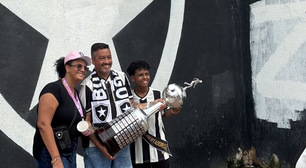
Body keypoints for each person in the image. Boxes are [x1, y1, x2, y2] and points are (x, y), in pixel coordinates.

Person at [79, 43, 134, 168]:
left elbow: (131, 105)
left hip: (122, 143)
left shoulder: (122, 77)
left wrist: (151, 104)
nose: (107, 61)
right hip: (96, 148)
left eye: (109, 57)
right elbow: (85, 123)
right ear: (93, 60)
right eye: (102, 58)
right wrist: (102, 147)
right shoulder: (86, 86)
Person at [33, 51, 92, 168]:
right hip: (52, 152)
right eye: (78, 66)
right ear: (67, 68)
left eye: (85, 67)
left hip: (69, 149)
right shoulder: (53, 89)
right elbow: (43, 124)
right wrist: (56, 159)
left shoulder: (75, 93)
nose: (83, 70)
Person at [126, 60, 181, 168]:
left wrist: (172, 111)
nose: (145, 77)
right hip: (138, 151)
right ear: (133, 78)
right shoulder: (129, 97)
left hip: (159, 146)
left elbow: (164, 114)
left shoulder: (158, 94)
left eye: (146, 74)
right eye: (140, 75)